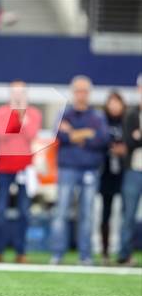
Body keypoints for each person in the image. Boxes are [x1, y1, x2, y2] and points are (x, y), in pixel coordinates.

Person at [50, 75, 109, 265]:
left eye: (84, 90)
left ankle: (85, 255)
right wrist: (86, 134)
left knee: (87, 214)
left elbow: (102, 139)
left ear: (89, 93)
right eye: (78, 90)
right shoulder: (64, 114)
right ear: (73, 92)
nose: (81, 94)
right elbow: (59, 135)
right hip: (67, 168)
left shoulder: (97, 116)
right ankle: (58, 254)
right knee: (61, 212)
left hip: (90, 169)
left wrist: (74, 133)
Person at [0, 80, 42, 263]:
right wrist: (18, 117)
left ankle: (21, 252)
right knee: (1, 211)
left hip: (24, 167)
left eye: (21, 92)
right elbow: (1, 133)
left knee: (23, 211)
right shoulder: (1, 112)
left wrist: (21, 121)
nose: (18, 95)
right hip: (4, 166)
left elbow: (31, 135)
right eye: (15, 92)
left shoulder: (34, 113)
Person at [99, 91, 127, 265]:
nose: (114, 106)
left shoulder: (127, 120)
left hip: (124, 172)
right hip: (106, 173)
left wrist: (124, 150)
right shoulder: (101, 121)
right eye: (111, 102)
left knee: (126, 214)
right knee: (105, 213)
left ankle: (124, 251)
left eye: (117, 102)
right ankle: (105, 251)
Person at [117, 74, 142, 266]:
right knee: (129, 214)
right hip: (134, 170)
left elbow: (136, 138)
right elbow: (129, 141)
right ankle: (124, 254)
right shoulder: (132, 114)